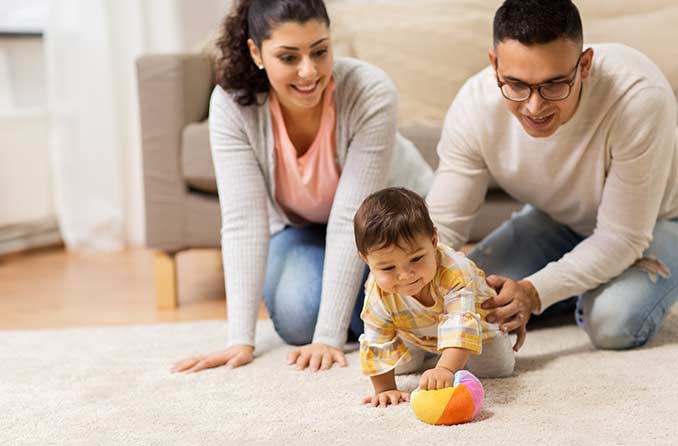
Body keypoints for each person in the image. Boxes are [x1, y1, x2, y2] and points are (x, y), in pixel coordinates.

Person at [171, 0, 432, 374]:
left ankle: (400, 312)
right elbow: (244, 220)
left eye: (320, 51)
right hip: (302, 230)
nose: (309, 72)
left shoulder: (371, 91)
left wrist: (328, 337)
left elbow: (348, 217)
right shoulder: (231, 104)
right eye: (289, 58)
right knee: (298, 314)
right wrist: (239, 340)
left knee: (397, 291)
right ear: (256, 52)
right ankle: (393, 318)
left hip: (392, 234)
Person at [427, 0, 678, 352]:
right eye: (515, 85)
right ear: (494, 64)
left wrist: (533, 291)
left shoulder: (637, 97)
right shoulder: (474, 105)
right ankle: (578, 283)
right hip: (557, 220)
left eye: (554, 84)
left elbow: (622, 236)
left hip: (659, 221)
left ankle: (583, 292)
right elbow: (445, 225)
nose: (534, 106)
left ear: (585, 65)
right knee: (468, 299)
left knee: (613, 322)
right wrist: (413, 282)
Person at [354, 188, 514, 408]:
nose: (405, 275)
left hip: (478, 327)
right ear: (366, 259)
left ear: (433, 240)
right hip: (415, 332)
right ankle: (435, 352)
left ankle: (446, 356)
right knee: (398, 367)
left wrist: (445, 369)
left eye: (416, 258)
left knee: (498, 368)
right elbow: (376, 339)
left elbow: (461, 327)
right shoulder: (376, 289)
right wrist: (386, 389)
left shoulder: (455, 272)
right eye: (388, 267)